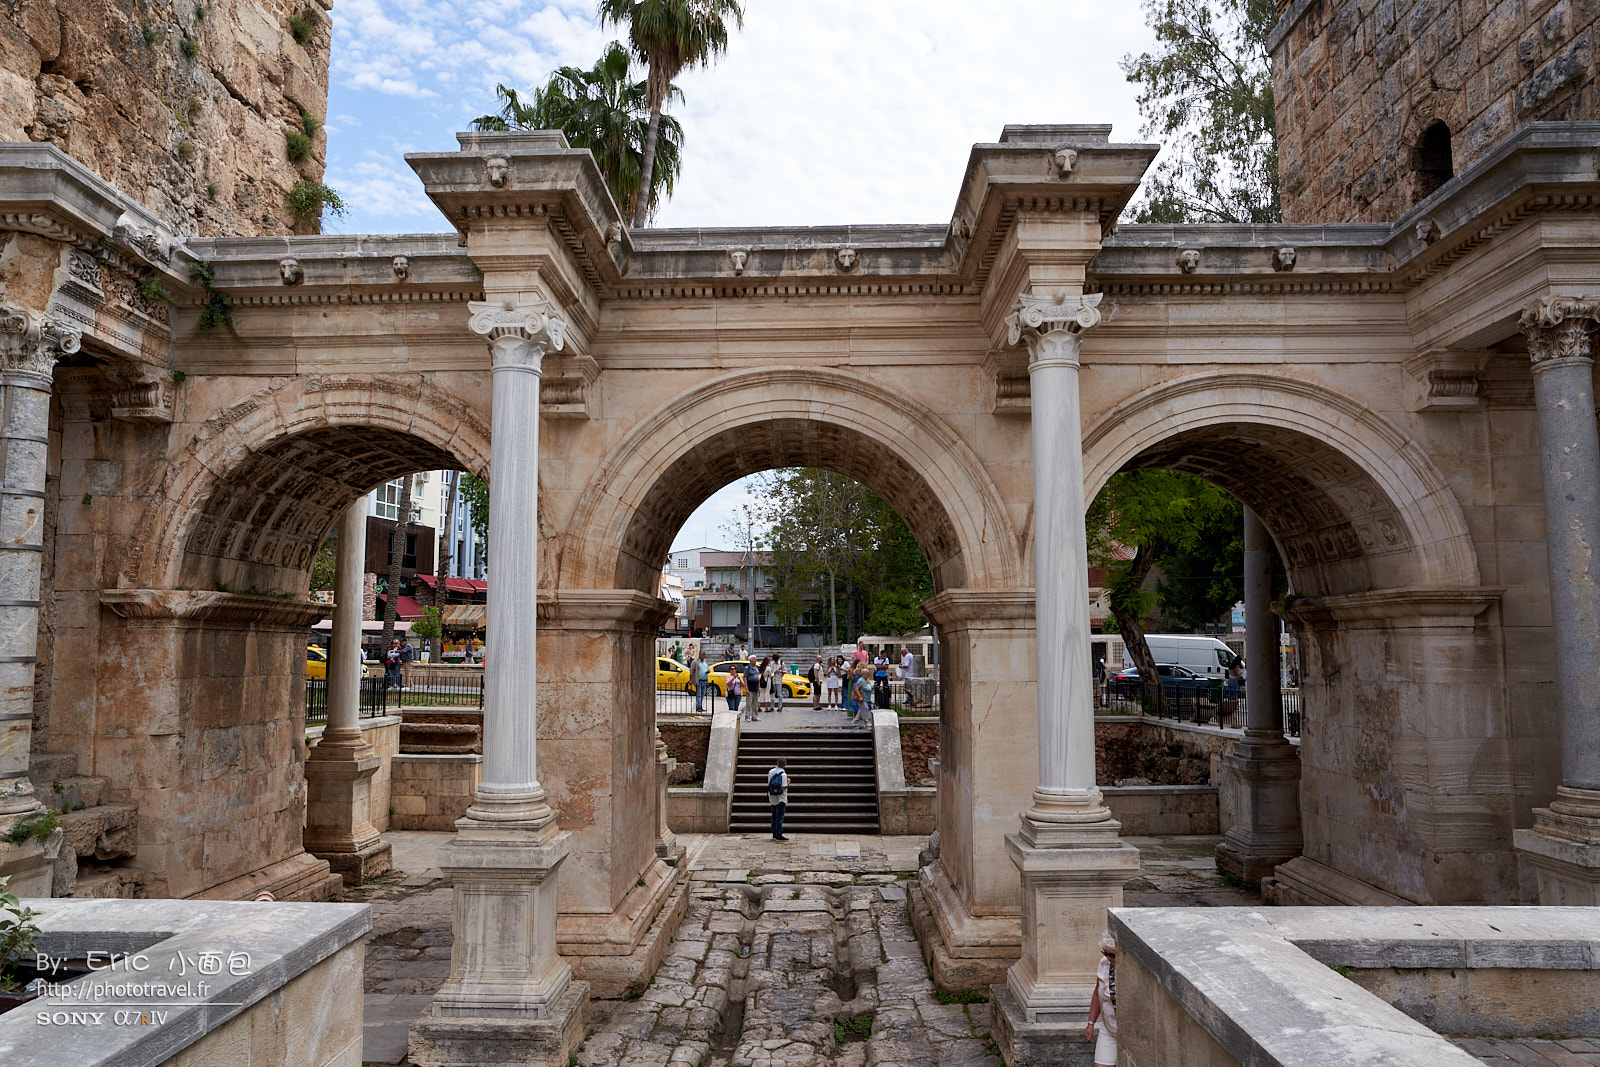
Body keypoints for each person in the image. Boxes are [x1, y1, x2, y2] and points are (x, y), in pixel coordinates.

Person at [1085, 931, 1118, 1067]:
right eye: (1105, 953)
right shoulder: (1104, 963)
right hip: (1108, 1028)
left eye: (1112, 955)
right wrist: (1091, 1023)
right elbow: (1096, 994)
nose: (1108, 958)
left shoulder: (1130, 970)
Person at [767, 758, 790, 841]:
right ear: (785, 765)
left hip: (772, 797)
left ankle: (774, 833)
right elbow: (783, 787)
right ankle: (778, 834)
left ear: (777, 763)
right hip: (781, 798)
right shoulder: (783, 774)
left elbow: (769, 784)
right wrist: (788, 782)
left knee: (774, 816)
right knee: (779, 817)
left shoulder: (771, 772)